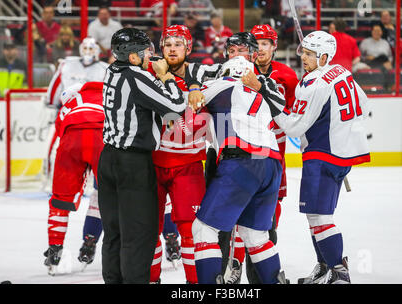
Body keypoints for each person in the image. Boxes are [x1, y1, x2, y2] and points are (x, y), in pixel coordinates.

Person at [258, 30, 371, 284]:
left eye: (310, 54)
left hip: (322, 154)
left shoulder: (313, 84)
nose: (304, 58)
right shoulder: (342, 72)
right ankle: (325, 267)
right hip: (341, 154)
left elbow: (294, 127)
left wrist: (271, 101)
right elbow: (363, 106)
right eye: (304, 53)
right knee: (315, 215)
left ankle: (338, 272)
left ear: (323, 56)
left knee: (321, 217)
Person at [98, 27, 187, 284]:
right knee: (138, 235)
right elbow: (176, 106)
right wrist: (166, 76)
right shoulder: (135, 76)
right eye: (145, 51)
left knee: (114, 233)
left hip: (109, 160)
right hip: (132, 164)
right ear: (133, 57)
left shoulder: (111, 71)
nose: (151, 55)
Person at [192, 55, 287, 284]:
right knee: (255, 235)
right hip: (272, 163)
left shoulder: (219, 85)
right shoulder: (263, 95)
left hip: (242, 161)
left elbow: (187, 104)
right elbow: (282, 109)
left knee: (203, 230)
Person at [147, 25, 208, 284]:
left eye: (178, 44)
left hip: (189, 165)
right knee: (149, 231)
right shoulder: (148, 75)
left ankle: (193, 285)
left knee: (191, 231)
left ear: (188, 48)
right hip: (153, 163)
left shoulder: (204, 76)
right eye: (168, 44)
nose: (172, 48)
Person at [43, 81, 106, 276]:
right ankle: (92, 242)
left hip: (71, 140)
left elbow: (60, 128)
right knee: (106, 195)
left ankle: (54, 248)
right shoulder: (112, 92)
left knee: (60, 199)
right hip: (101, 139)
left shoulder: (71, 101)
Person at [46, 37, 109, 109]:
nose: (87, 52)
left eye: (91, 49)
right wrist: (52, 105)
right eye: (85, 48)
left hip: (91, 108)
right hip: (67, 106)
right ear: (81, 49)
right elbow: (56, 86)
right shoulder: (67, 64)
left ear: (96, 50)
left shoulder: (105, 69)